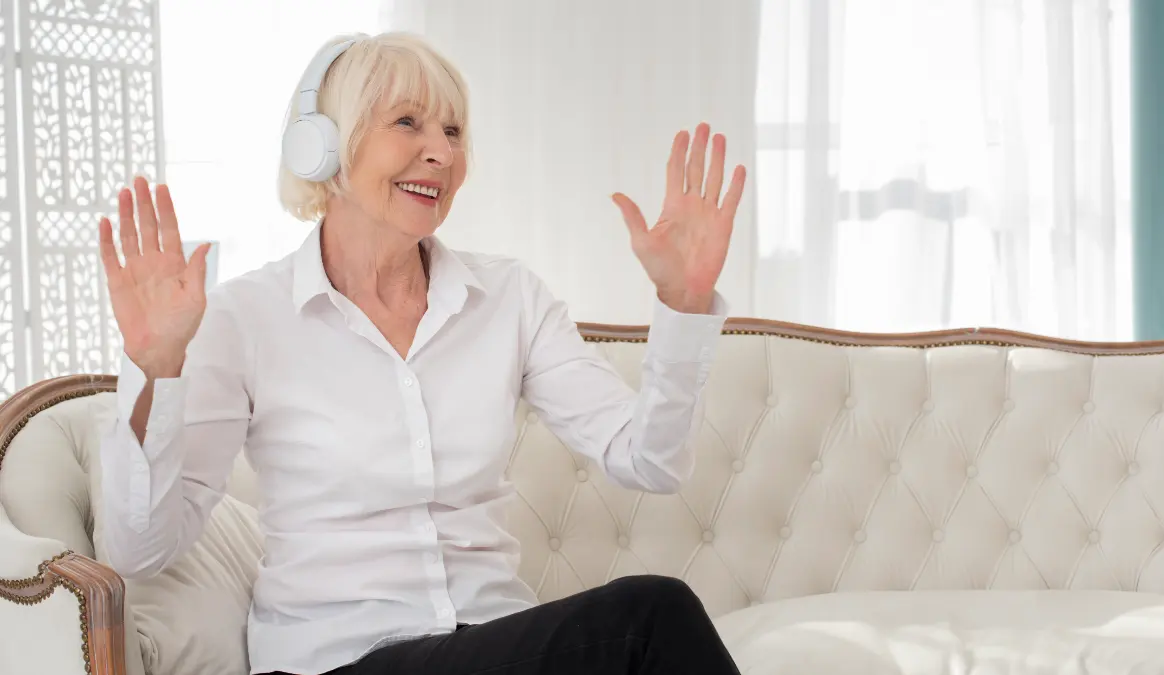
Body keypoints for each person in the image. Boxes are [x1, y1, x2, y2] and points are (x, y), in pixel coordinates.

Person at [97, 31, 747, 675]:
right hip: (336, 658)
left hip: (492, 641)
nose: (440, 152)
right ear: (323, 148)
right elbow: (140, 549)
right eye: (407, 122)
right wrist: (156, 366)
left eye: (455, 131)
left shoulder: (509, 297)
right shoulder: (245, 318)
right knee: (653, 614)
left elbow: (650, 460)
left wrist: (682, 304)